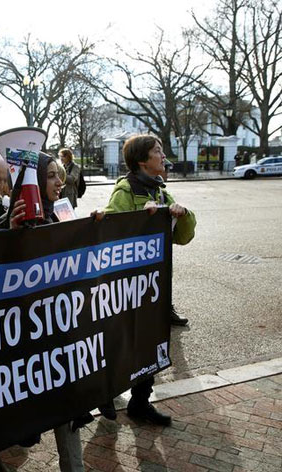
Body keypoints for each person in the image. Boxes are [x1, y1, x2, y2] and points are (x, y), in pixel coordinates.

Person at [102, 134, 196, 426]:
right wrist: (140, 220)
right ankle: (105, 393)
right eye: (158, 151)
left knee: (149, 343)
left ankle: (140, 403)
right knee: (120, 343)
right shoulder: (125, 191)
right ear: (142, 160)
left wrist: (183, 213)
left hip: (153, 287)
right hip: (127, 288)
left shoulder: (161, 192)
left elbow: (183, 237)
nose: (164, 156)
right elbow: (111, 233)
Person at [9, 153, 90, 472]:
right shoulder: (15, 217)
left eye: (61, 175)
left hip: (62, 331)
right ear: (33, 182)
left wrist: (93, 230)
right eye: (52, 176)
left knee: (68, 409)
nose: (61, 182)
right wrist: (13, 234)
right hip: (30, 338)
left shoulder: (61, 210)